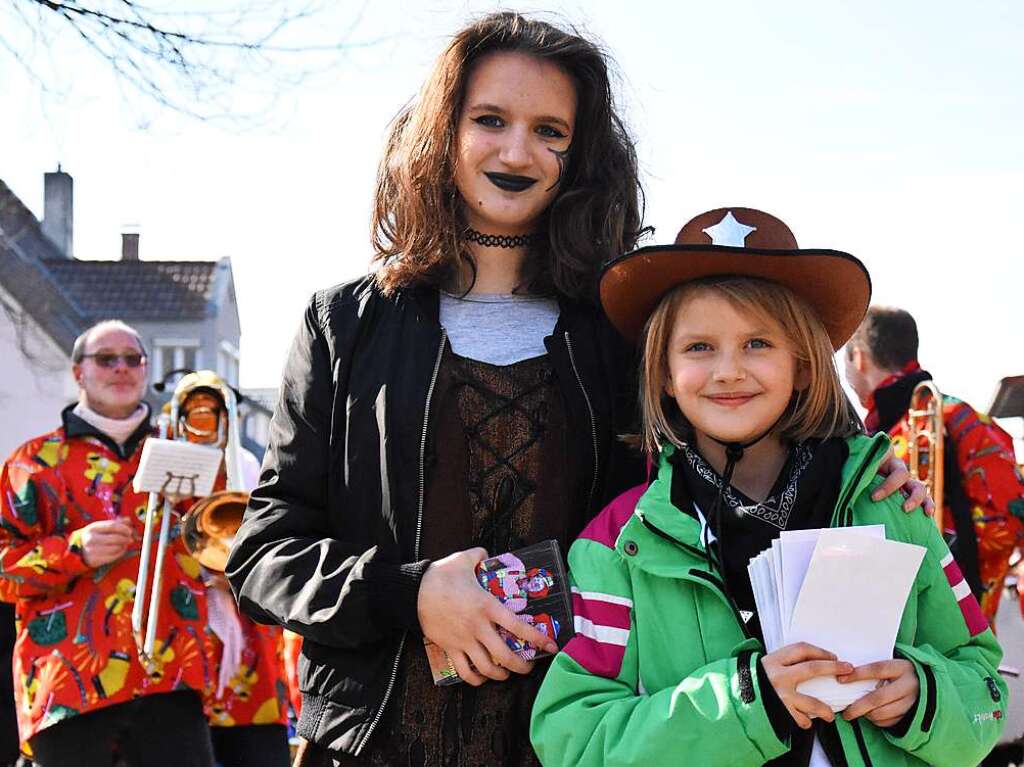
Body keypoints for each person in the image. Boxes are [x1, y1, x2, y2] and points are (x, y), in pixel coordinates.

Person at [225, 14, 925, 766]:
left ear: (581, 152)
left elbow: (796, 435)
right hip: (373, 739)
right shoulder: (343, 325)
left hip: (593, 734)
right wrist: (413, 592)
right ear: (443, 131)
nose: (517, 150)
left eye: (550, 130)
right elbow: (265, 553)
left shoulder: (628, 325)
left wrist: (869, 471)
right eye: (489, 120)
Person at [530, 208, 1006, 767]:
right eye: (699, 347)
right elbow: (574, 739)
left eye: (758, 343)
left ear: (803, 366)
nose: (729, 370)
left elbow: (983, 690)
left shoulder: (889, 505)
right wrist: (747, 703)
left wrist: (923, 696)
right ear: (661, 372)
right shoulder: (621, 543)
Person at [0, 320, 215, 767]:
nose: (121, 368)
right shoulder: (31, 463)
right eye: (105, 359)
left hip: (172, 673)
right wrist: (73, 550)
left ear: (146, 368)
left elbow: (225, 549)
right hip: (68, 683)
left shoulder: (193, 455)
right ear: (79, 373)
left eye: (132, 359)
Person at [844, 306, 1024, 624]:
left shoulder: (928, 426)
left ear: (859, 358)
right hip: (933, 619)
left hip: (943, 624)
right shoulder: (972, 421)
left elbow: (1008, 515)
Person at [170, 373, 290, 767]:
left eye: (213, 410)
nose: (204, 418)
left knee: (255, 748)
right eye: (194, 410)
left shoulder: (245, 462)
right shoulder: (164, 461)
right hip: (184, 629)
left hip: (245, 631)